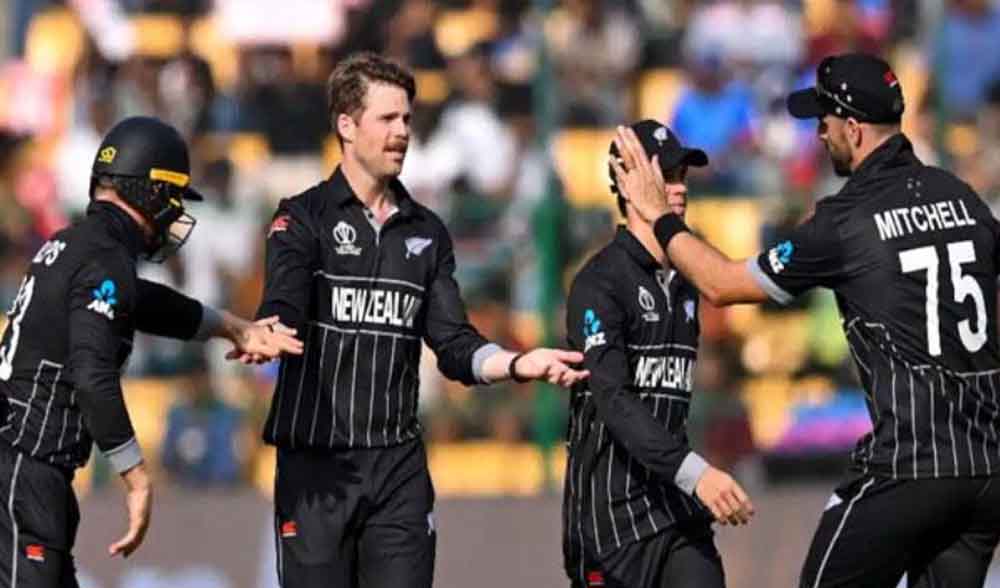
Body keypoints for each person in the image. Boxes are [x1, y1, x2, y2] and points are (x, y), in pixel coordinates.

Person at [611, 53, 1000, 588]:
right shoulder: (964, 197)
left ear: (853, 129)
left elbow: (722, 284)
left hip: (913, 465)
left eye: (824, 120)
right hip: (987, 469)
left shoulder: (845, 220)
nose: (818, 133)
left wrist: (658, 215)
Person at [255, 52, 588, 588]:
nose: (402, 132)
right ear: (347, 125)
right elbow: (284, 298)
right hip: (317, 466)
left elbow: (454, 345)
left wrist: (519, 364)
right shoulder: (302, 217)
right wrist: (272, 327)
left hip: (397, 470)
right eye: (387, 118)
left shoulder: (426, 231)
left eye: (407, 119)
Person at [0, 116, 303, 587]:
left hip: (23, 468)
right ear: (151, 191)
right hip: (25, 470)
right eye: (173, 197)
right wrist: (136, 477)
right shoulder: (103, 259)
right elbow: (91, 374)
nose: (175, 212)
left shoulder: (74, 244)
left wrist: (233, 329)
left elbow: (144, 302)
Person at [564, 119, 754, 588]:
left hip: (674, 510)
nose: (680, 188)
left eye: (681, 176)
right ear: (628, 185)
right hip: (611, 525)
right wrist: (698, 474)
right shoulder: (599, 283)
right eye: (664, 177)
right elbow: (615, 401)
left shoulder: (687, 280)